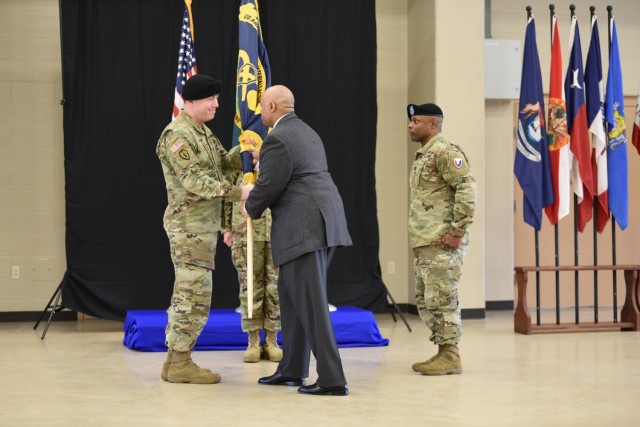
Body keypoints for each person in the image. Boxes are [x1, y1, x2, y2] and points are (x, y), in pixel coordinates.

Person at [242, 85, 352, 396]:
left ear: (273, 106)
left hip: (304, 229)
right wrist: (263, 159)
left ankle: (332, 379)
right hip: (322, 223)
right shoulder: (305, 131)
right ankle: (292, 369)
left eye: (261, 106)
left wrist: (250, 205)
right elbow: (293, 171)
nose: (258, 112)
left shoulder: (277, 138)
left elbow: (270, 186)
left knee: (312, 306)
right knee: (293, 301)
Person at [156, 74, 253, 384]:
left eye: (216, 98)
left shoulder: (203, 133)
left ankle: (175, 361)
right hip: (189, 229)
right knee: (192, 296)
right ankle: (181, 362)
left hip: (201, 229)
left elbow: (222, 164)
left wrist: (245, 150)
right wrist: (239, 193)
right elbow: (194, 181)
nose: (216, 104)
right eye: (211, 99)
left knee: (190, 294)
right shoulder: (178, 136)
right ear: (192, 101)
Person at [406, 102, 476, 376]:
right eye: (411, 122)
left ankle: (451, 355)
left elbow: (467, 192)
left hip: (442, 242)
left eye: (417, 121)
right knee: (427, 299)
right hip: (427, 241)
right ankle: (443, 351)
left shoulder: (446, 152)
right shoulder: (425, 154)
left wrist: (456, 232)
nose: (411, 126)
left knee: (443, 297)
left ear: (433, 124)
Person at [222, 172, 282, 364]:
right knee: (249, 285)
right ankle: (253, 340)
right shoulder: (239, 164)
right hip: (244, 230)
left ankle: (272, 340)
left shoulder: (277, 162)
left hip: (276, 230)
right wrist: (226, 228)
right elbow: (227, 196)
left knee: (275, 286)